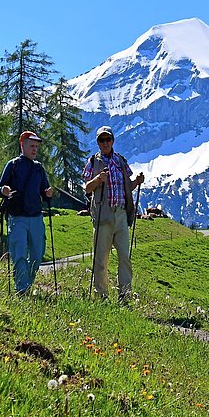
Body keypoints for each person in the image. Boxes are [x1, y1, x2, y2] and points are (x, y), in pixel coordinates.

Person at [83, 125, 145, 301]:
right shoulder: (93, 162)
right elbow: (87, 188)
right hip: (103, 215)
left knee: (124, 257)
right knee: (101, 259)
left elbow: (127, 188)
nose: (105, 143)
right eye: (101, 140)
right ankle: (101, 296)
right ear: (97, 142)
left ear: (113, 141)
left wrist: (137, 182)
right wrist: (98, 179)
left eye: (108, 139)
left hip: (121, 215)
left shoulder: (120, 161)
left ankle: (124, 296)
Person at [0, 131, 54, 295]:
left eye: (36, 146)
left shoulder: (39, 168)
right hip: (17, 217)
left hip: (36, 217)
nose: (35, 149)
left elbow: (45, 191)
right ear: (23, 146)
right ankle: (22, 288)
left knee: (37, 254)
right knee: (19, 252)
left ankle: (26, 283)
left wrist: (48, 193)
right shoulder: (13, 165)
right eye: (32, 146)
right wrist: (3, 190)